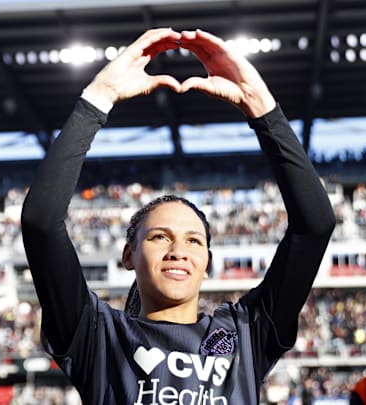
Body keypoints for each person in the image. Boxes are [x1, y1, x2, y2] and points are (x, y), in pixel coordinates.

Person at [21, 27, 336, 404]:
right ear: (128, 254)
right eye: (159, 237)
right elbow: (41, 223)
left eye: (193, 240)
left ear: (207, 263)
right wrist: (98, 98)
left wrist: (263, 109)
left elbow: (315, 225)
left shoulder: (248, 332)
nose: (177, 251)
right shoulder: (97, 336)